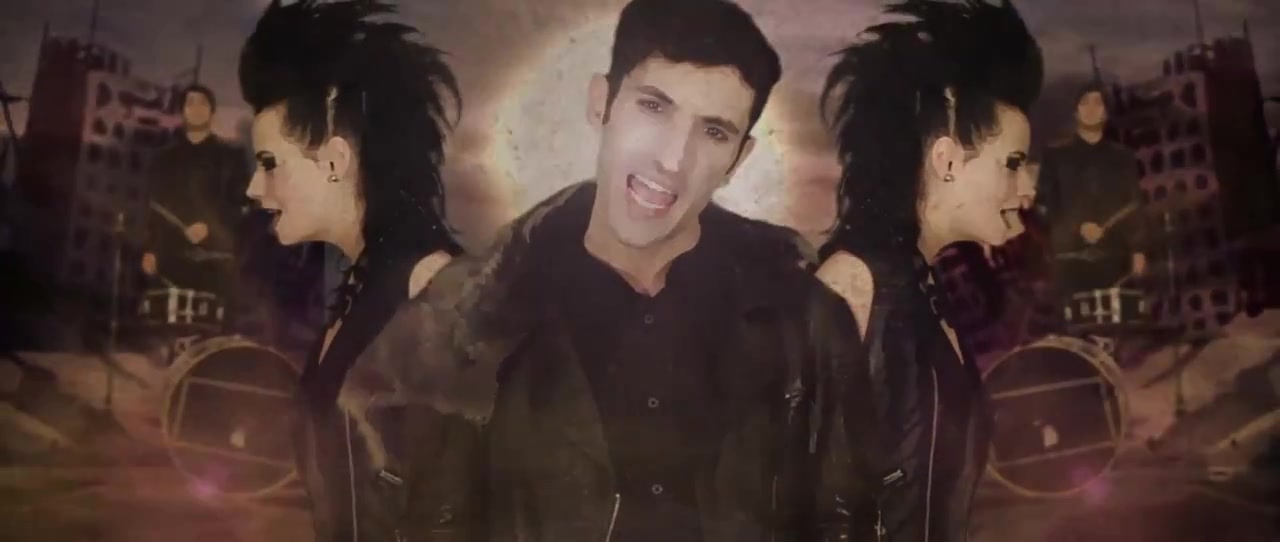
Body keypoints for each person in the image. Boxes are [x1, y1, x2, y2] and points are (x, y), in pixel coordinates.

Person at [386, 0, 870, 540]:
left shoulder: (808, 322)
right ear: (602, 104)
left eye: (713, 132)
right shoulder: (470, 313)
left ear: (738, 159)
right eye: (654, 106)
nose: (672, 159)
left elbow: (842, 520)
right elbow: (436, 523)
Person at [237, 0, 471, 539]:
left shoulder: (431, 287)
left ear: (335, 161)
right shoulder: (360, 285)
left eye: (270, 163)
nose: (254, 186)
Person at [815, 0, 1043, 539]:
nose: (1027, 188)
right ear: (946, 160)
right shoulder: (854, 287)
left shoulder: (925, 289)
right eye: (1012, 164)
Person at [141, 83, 250, 331]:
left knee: (213, 335)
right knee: (171, 333)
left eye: (203, 103)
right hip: (172, 259)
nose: (197, 108)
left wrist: (209, 226)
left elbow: (242, 207)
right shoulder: (163, 159)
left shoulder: (232, 157)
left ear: (212, 111)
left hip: (216, 260)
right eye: (190, 103)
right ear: (182, 111)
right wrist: (150, 250)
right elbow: (153, 209)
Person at [1037, 82, 1146, 307]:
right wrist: (1078, 227)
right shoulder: (1055, 156)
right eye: (1084, 103)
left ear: (1106, 113)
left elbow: (1135, 204)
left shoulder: (1123, 158)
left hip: (1115, 259)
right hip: (1070, 261)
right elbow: (1045, 205)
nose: (1091, 109)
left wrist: (1138, 250)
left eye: (1098, 103)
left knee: (1119, 319)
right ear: (1075, 111)